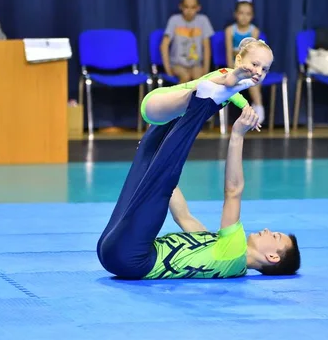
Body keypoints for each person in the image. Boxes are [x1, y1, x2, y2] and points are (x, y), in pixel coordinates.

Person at [96, 40, 301, 280]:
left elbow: (233, 191)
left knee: (161, 178)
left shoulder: (235, 253)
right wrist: (155, 163)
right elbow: (183, 216)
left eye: (274, 236)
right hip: (112, 252)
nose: (268, 230)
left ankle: (203, 103)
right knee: (152, 172)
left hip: (133, 257)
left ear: (272, 258)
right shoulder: (220, 247)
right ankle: (180, 119)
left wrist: (237, 135)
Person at [141, 37, 268, 126]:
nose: (258, 71)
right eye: (254, 64)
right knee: (221, 84)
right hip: (164, 96)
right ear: (239, 61)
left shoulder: (234, 88)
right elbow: (231, 90)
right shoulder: (226, 72)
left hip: (168, 118)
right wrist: (245, 106)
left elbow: (232, 91)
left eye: (264, 69)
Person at [225, 0, 265, 124]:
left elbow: (252, 54)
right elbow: (228, 52)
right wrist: (232, 68)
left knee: (252, 79)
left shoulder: (254, 31)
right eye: (241, 13)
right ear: (235, 14)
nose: (244, 17)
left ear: (252, 16)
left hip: (250, 66)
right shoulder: (230, 30)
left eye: (248, 14)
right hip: (235, 65)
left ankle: (258, 107)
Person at [160, 0, 214, 83]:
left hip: (196, 65)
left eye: (193, 7)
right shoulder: (174, 20)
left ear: (198, 8)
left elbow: (207, 47)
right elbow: (164, 45)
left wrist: (205, 70)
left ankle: (196, 98)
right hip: (177, 64)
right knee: (185, 76)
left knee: (199, 79)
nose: (189, 11)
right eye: (186, 7)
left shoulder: (203, 20)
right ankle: (181, 98)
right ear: (180, 6)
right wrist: (168, 69)